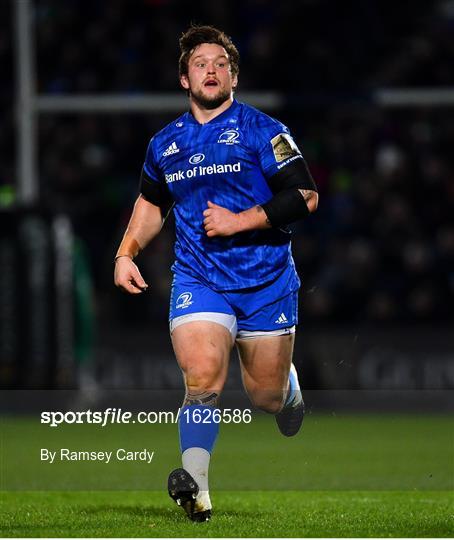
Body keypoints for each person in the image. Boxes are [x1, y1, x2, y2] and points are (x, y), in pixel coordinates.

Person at [114, 24, 318, 522]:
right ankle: (197, 487)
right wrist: (125, 253)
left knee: (264, 396)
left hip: (266, 280)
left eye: (221, 63)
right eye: (201, 63)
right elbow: (151, 204)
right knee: (201, 379)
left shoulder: (263, 130)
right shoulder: (165, 144)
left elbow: (305, 196)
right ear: (185, 78)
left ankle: (287, 389)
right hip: (199, 278)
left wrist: (240, 220)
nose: (211, 69)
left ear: (233, 77)